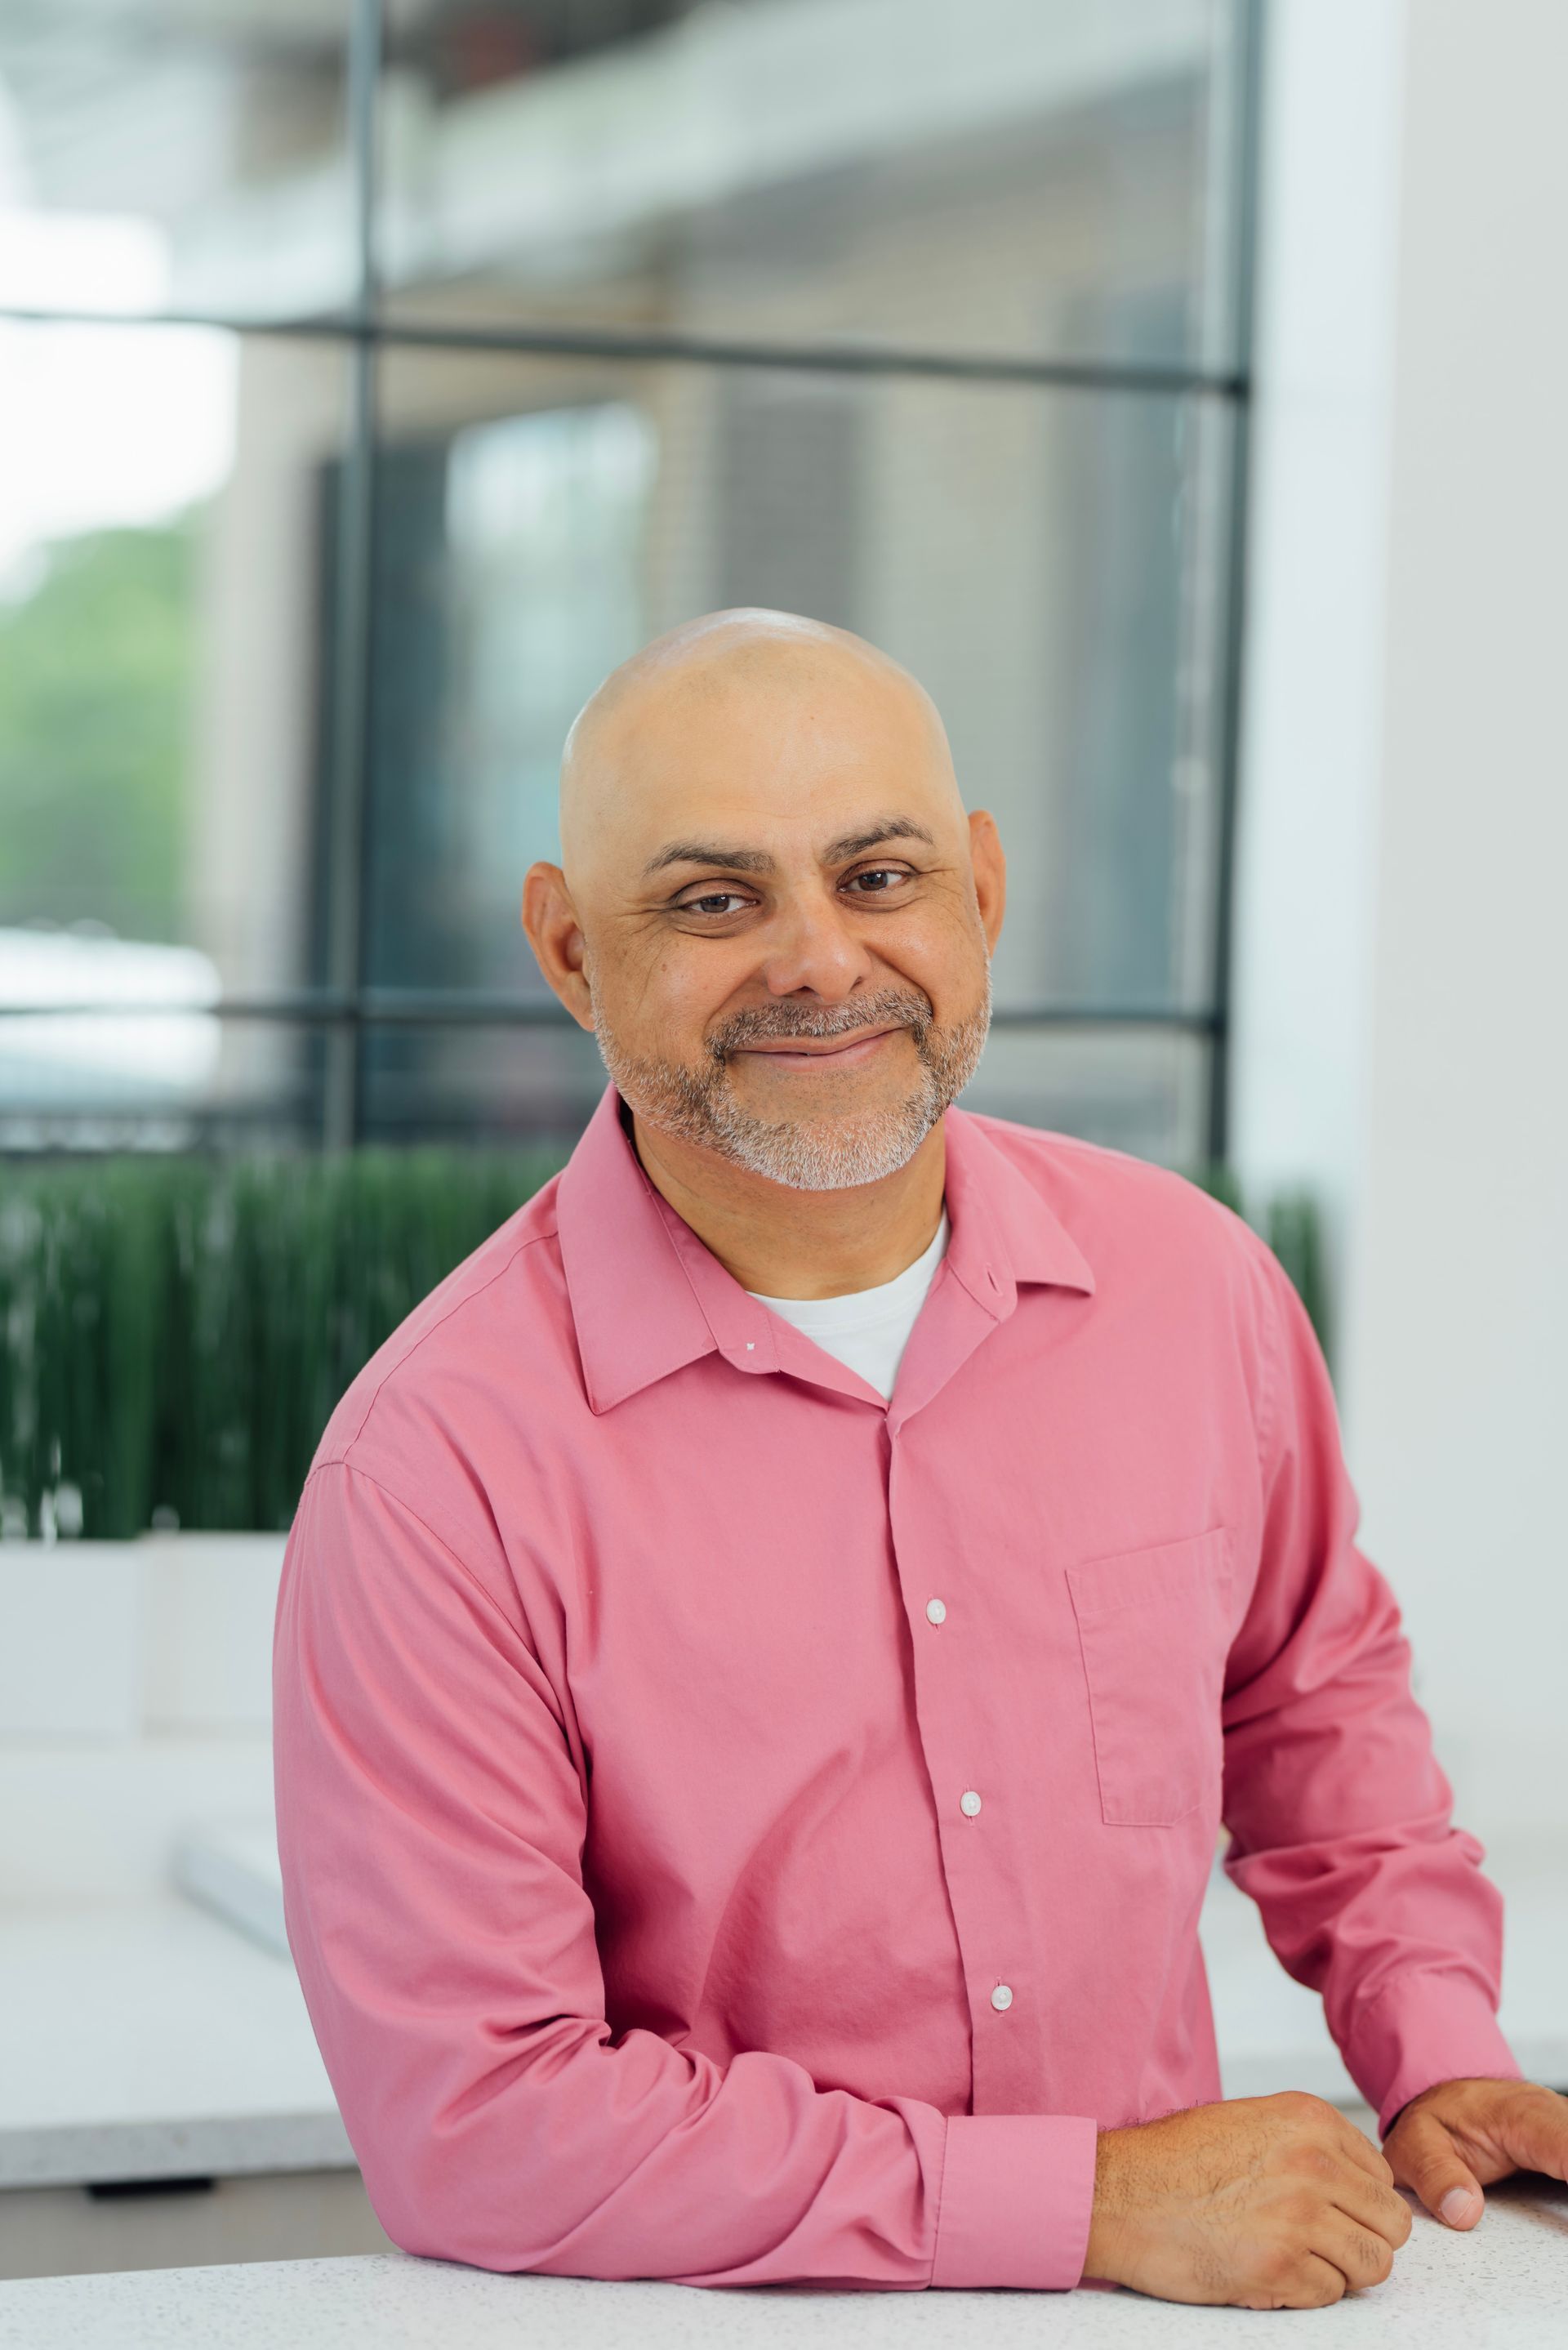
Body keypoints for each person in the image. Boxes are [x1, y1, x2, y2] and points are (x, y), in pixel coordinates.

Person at [273, 608, 1566, 2310]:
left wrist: (1435, 2047)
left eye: (878, 875)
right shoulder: (434, 1466)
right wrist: (1086, 2202)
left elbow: (1308, 1704)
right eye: (713, 900)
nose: (820, 960)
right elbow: (481, 2121)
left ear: (982, 890)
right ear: (573, 952)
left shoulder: (1194, 1290)